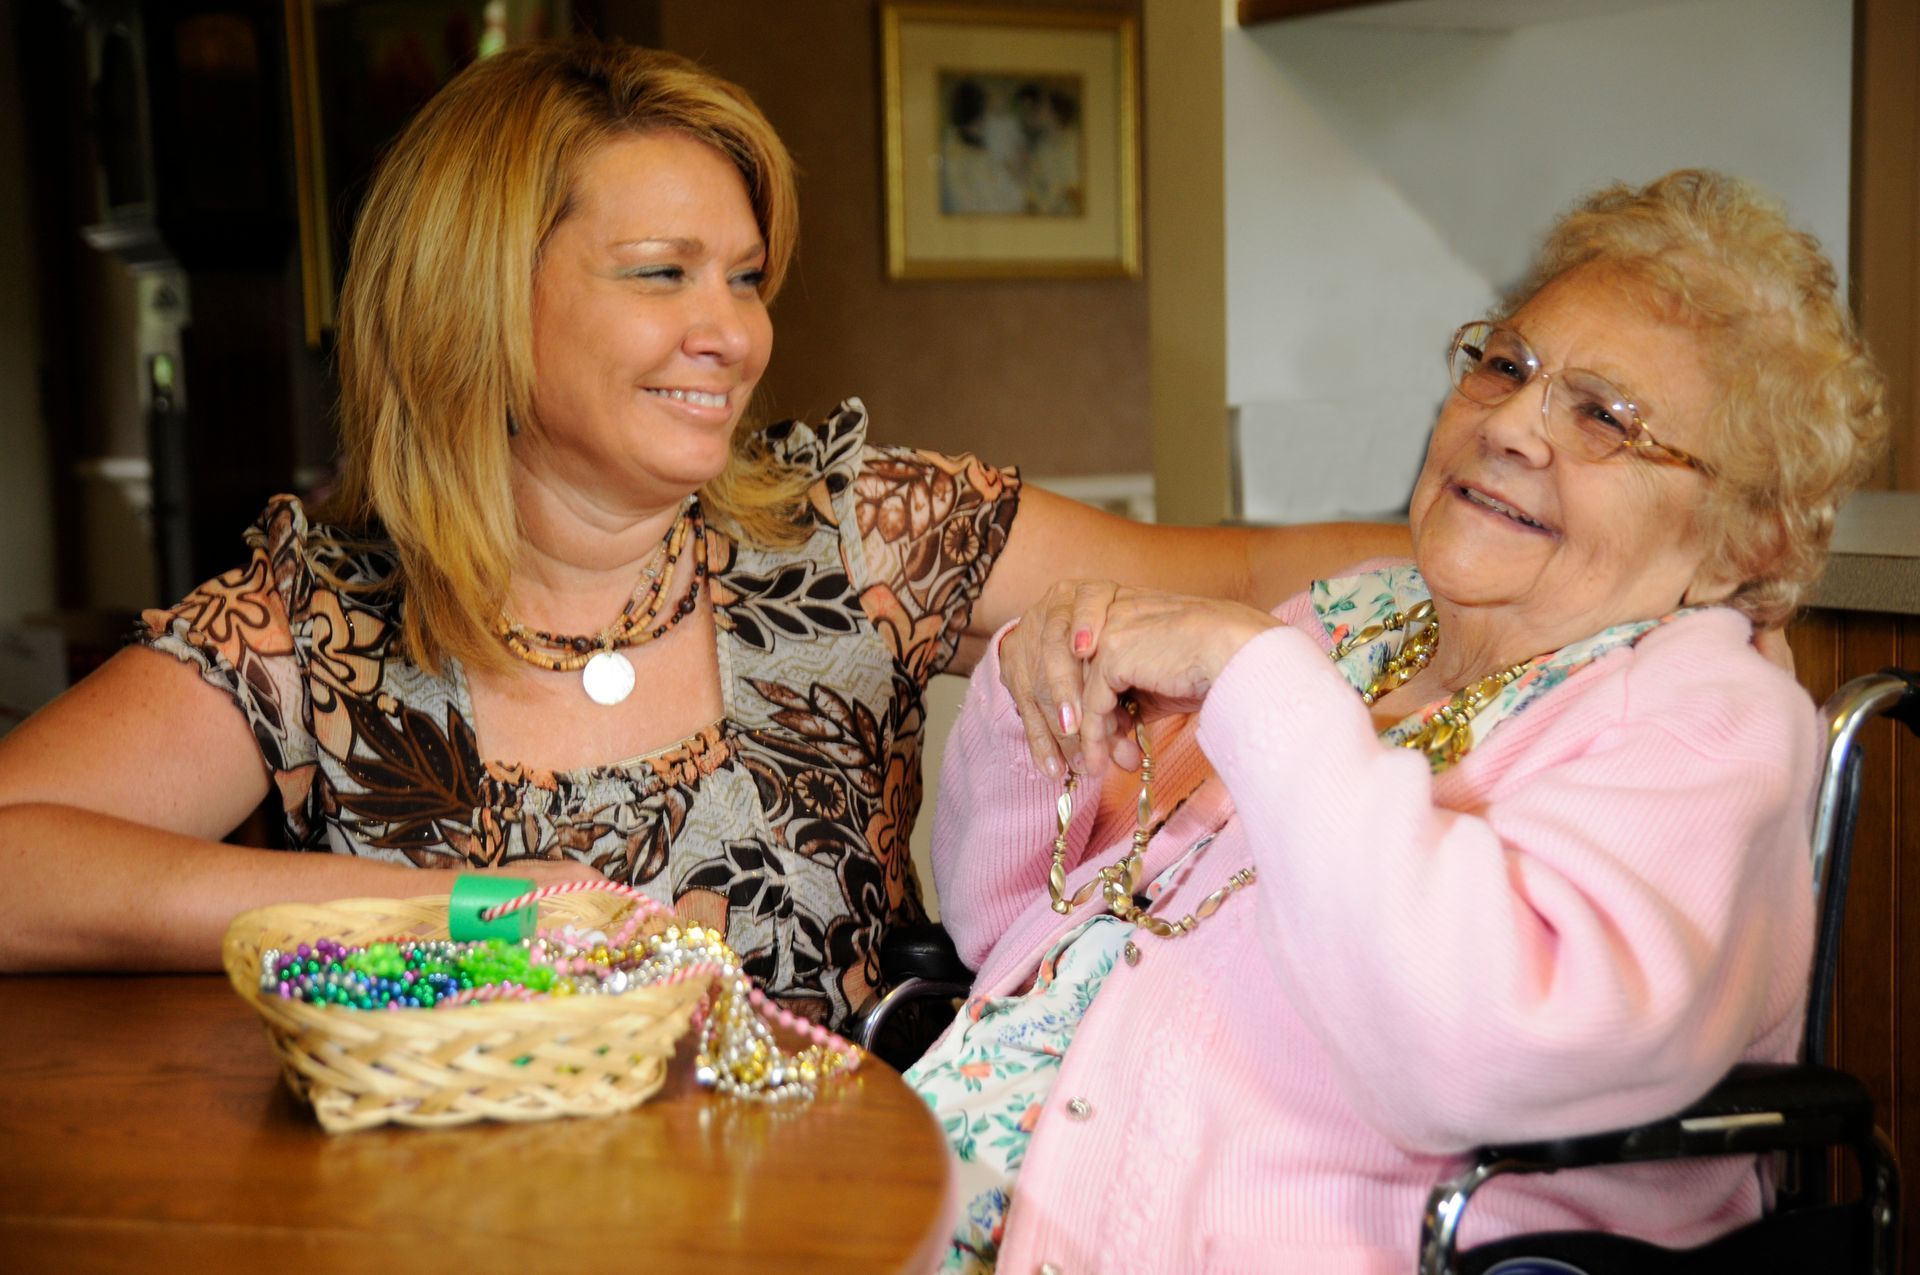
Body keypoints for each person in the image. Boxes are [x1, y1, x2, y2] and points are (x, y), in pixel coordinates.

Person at [0, 40, 1401, 1027]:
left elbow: (1254, 573)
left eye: (743, 275)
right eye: (660, 274)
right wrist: (435, 914)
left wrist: (1539, 518)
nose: (729, 331)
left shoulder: (863, 536)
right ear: (480, 296)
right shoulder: (320, 621)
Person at [910, 168, 1886, 1272]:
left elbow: (1482, 1046)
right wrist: (1036, 693)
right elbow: (1005, 933)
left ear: (1743, 542)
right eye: (1507, 365)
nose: (1513, 422)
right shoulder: (1357, 620)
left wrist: (1256, 677)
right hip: (967, 1201)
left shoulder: (1703, 718)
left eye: (1606, 418)